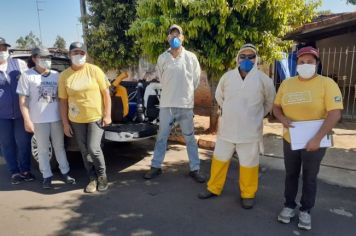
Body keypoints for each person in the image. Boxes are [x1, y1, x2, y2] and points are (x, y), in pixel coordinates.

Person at [198, 44, 276, 209]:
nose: (246, 60)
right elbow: (219, 96)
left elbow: (269, 102)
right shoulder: (227, 77)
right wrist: (230, 110)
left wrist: (256, 116)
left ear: (257, 59)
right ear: (237, 58)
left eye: (251, 57)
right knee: (219, 160)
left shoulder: (264, 80)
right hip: (227, 129)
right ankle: (213, 188)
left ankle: (248, 194)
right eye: (243, 57)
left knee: (249, 164)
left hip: (250, 132)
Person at [273, 46, 343, 230]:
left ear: (317, 64)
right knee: (291, 174)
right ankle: (289, 206)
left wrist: (317, 139)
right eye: (301, 62)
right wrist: (282, 118)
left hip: (316, 141)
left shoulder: (327, 84)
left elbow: (334, 113)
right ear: (296, 64)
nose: (305, 65)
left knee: (310, 177)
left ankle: (305, 210)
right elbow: (276, 107)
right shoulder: (287, 84)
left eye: (310, 62)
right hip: (291, 139)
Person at [143, 24, 205, 183]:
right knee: (162, 137)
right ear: (168, 38)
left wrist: (186, 93)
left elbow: (195, 81)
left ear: (182, 38)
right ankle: (156, 167)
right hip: (167, 105)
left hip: (185, 105)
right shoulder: (163, 58)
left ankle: (195, 169)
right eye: (172, 35)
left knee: (190, 138)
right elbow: (162, 79)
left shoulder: (191, 57)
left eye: (178, 35)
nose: (175, 38)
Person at [17, 47, 75, 189]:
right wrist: (27, 119)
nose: (46, 60)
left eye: (48, 57)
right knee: (43, 149)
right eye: (43, 57)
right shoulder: (27, 75)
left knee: (59, 147)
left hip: (56, 118)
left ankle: (65, 172)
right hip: (38, 120)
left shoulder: (57, 75)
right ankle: (46, 176)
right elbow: (23, 100)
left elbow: (63, 97)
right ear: (34, 58)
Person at [58, 42, 112, 193]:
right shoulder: (64, 76)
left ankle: (102, 176)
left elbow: (106, 94)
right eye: (75, 52)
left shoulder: (94, 70)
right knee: (84, 151)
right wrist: (65, 123)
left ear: (86, 55)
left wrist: (107, 115)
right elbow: (63, 101)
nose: (79, 55)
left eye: (82, 53)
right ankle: (92, 178)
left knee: (93, 148)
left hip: (96, 117)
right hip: (76, 120)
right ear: (69, 55)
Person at [0, 37, 35, 184]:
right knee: (7, 144)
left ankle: (25, 170)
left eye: (4, 48)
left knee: (23, 142)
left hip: (21, 113)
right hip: (2, 116)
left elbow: (30, 82)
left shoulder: (19, 64)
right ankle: (14, 172)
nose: (2, 51)